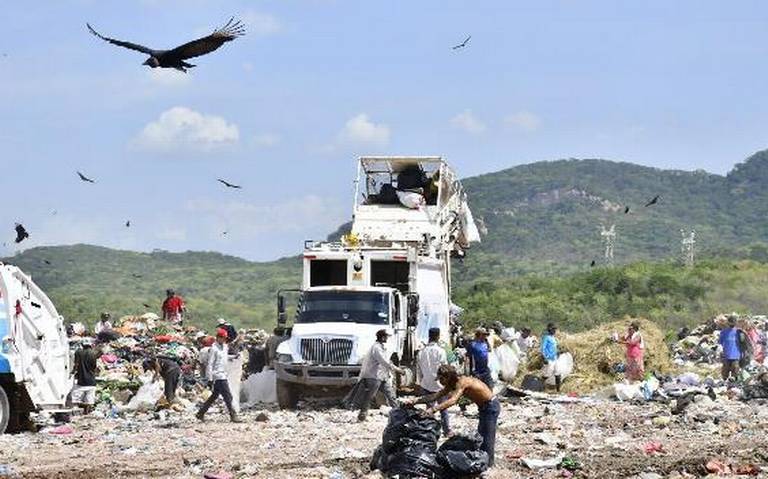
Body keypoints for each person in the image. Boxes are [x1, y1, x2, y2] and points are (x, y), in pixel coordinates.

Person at [407, 364, 500, 466]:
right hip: (483, 408)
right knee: (482, 435)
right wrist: (415, 401)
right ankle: (483, 461)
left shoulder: (462, 382)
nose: (440, 382)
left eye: (441, 379)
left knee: (487, 437)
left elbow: (453, 400)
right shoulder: (451, 385)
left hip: (490, 406)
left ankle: (489, 465)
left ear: (448, 377)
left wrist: (433, 409)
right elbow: (435, 396)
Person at [357, 329, 405, 421]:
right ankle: (362, 415)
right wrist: (398, 370)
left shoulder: (380, 347)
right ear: (382, 337)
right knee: (369, 397)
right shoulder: (376, 348)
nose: (387, 338)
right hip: (374, 376)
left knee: (391, 395)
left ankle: (398, 415)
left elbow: (387, 362)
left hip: (382, 376)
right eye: (386, 337)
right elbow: (385, 362)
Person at [196, 328, 242, 422]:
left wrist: (233, 357)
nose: (224, 340)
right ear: (218, 338)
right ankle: (233, 415)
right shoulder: (214, 348)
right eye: (223, 338)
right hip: (218, 375)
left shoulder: (224, 347)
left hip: (224, 373)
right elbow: (210, 363)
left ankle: (200, 413)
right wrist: (209, 378)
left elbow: (225, 358)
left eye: (225, 338)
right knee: (228, 395)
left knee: (214, 396)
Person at [416, 328, 450, 435]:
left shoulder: (421, 352)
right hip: (439, 385)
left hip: (426, 384)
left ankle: (430, 431)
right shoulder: (441, 351)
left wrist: (421, 381)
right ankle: (446, 431)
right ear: (438, 337)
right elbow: (444, 369)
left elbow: (419, 370)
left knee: (429, 409)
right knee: (443, 409)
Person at [72, 339, 98, 414]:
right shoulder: (93, 354)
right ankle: (86, 414)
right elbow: (94, 367)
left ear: (83, 345)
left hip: (81, 381)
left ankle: (76, 414)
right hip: (91, 381)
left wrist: (73, 372)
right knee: (89, 401)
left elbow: (76, 364)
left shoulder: (78, 352)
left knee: (76, 401)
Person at [719, 315, 742, 381]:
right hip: (726, 355)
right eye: (731, 322)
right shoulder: (724, 332)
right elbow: (720, 343)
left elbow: (743, 344)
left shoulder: (738, 332)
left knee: (734, 373)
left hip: (736, 356)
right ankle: (724, 386)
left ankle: (734, 386)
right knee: (725, 374)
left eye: (733, 322)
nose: (732, 324)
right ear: (728, 322)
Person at [541, 323, 561, 392]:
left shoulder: (554, 338)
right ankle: (541, 388)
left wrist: (558, 352)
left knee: (558, 374)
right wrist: (544, 358)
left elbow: (555, 347)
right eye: (553, 329)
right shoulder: (546, 338)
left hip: (555, 358)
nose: (555, 331)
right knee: (547, 374)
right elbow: (543, 348)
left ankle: (558, 390)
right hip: (549, 359)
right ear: (550, 330)